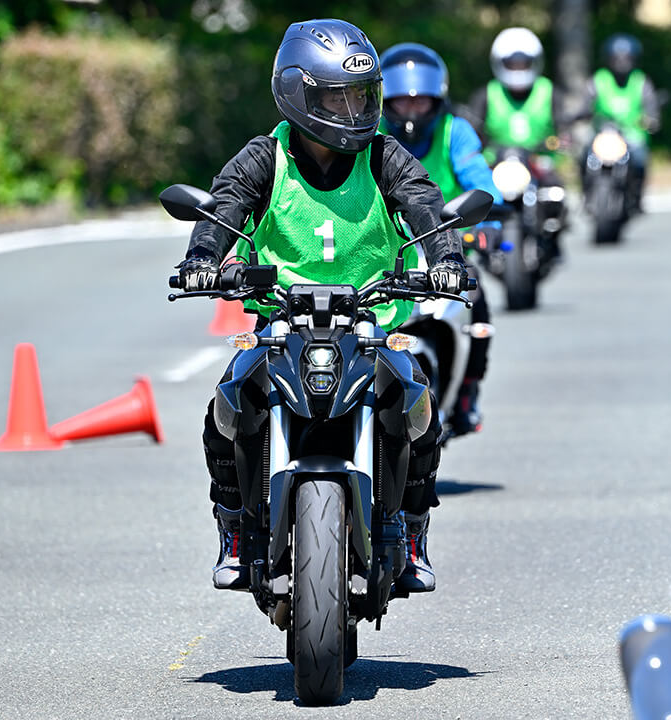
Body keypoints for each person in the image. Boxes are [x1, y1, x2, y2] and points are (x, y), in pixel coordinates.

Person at [175, 19, 469, 596]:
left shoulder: (385, 155)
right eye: (337, 96)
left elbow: (425, 204)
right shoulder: (265, 158)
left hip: (372, 324)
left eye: (361, 94)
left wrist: (446, 257)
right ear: (297, 94)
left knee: (420, 413)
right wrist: (203, 259)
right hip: (280, 324)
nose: (353, 108)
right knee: (224, 412)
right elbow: (226, 207)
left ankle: (412, 530)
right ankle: (234, 528)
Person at [380, 41, 504, 437]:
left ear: (438, 101)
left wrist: (487, 223)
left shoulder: (456, 130)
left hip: (449, 244)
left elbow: (480, 181)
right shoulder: (371, 134)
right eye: (402, 103)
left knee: (477, 298)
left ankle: (467, 391)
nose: (411, 112)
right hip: (386, 250)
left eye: (420, 103)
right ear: (385, 103)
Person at [465, 26, 568, 259]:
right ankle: (482, 235)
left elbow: (563, 125)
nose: (518, 69)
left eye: (523, 63)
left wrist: (562, 140)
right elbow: (472, 128)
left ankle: (553, 237)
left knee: (557, 192)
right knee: (475, 193)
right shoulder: (487, 94)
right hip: (497, 161)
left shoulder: (547, 91)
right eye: (512, 64)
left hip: (537, 160)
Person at [580, 33, 660, 212]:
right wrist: (582, 115)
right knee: (585, 153)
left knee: (640, 157)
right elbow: (586, 104)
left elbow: (651, 106)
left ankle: (637, 197)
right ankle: (586, 192)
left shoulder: (640, 81)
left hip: (631, 134)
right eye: (617, 59)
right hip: (603, 133)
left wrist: (651, 120)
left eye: (626, 58)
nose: (622, 63)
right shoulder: (599, 79)